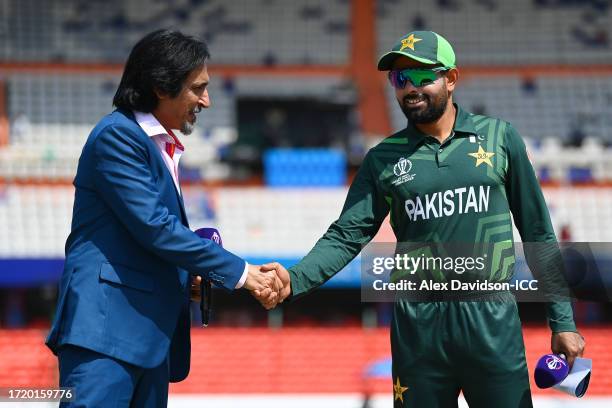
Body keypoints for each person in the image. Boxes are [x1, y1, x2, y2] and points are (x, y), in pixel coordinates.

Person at [261, 31, 586, 407]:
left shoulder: (500, 138)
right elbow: (346, 235)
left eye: (421, 77)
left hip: (490, 317)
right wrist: (294, 278)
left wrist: (562, 320)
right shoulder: (383, 158)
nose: (409, 89)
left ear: (451, 79)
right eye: (400, 79)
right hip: (418, 324)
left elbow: (538, 232)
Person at [46, 29, 282, 407]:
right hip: (106, 333)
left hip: (147, 338)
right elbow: (156, 228)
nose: (206, 101)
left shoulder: (154, 144)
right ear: (160, 85)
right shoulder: (117, 137)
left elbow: (141, 240)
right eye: (197, 88)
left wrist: (186, 277)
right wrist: (242, 273)